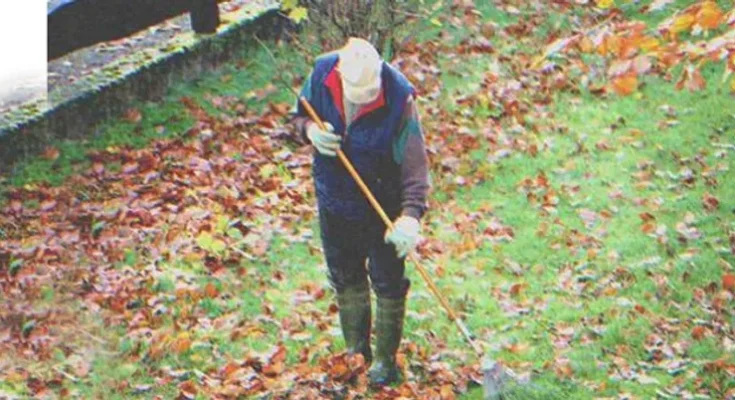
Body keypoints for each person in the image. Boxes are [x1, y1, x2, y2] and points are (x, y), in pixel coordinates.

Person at [291, 37, 431, 386]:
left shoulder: (400, 98)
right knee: (346, 278)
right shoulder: (322, 74)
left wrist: (410, 217)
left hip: (382, 209)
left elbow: (415, 166)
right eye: (359, 90)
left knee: (388, 283)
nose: (366, 96)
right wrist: (310, 132)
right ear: (339, 73)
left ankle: (384, 364)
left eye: (371, 89)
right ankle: (357, 355)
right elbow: (296, 118)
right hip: (335, 203)